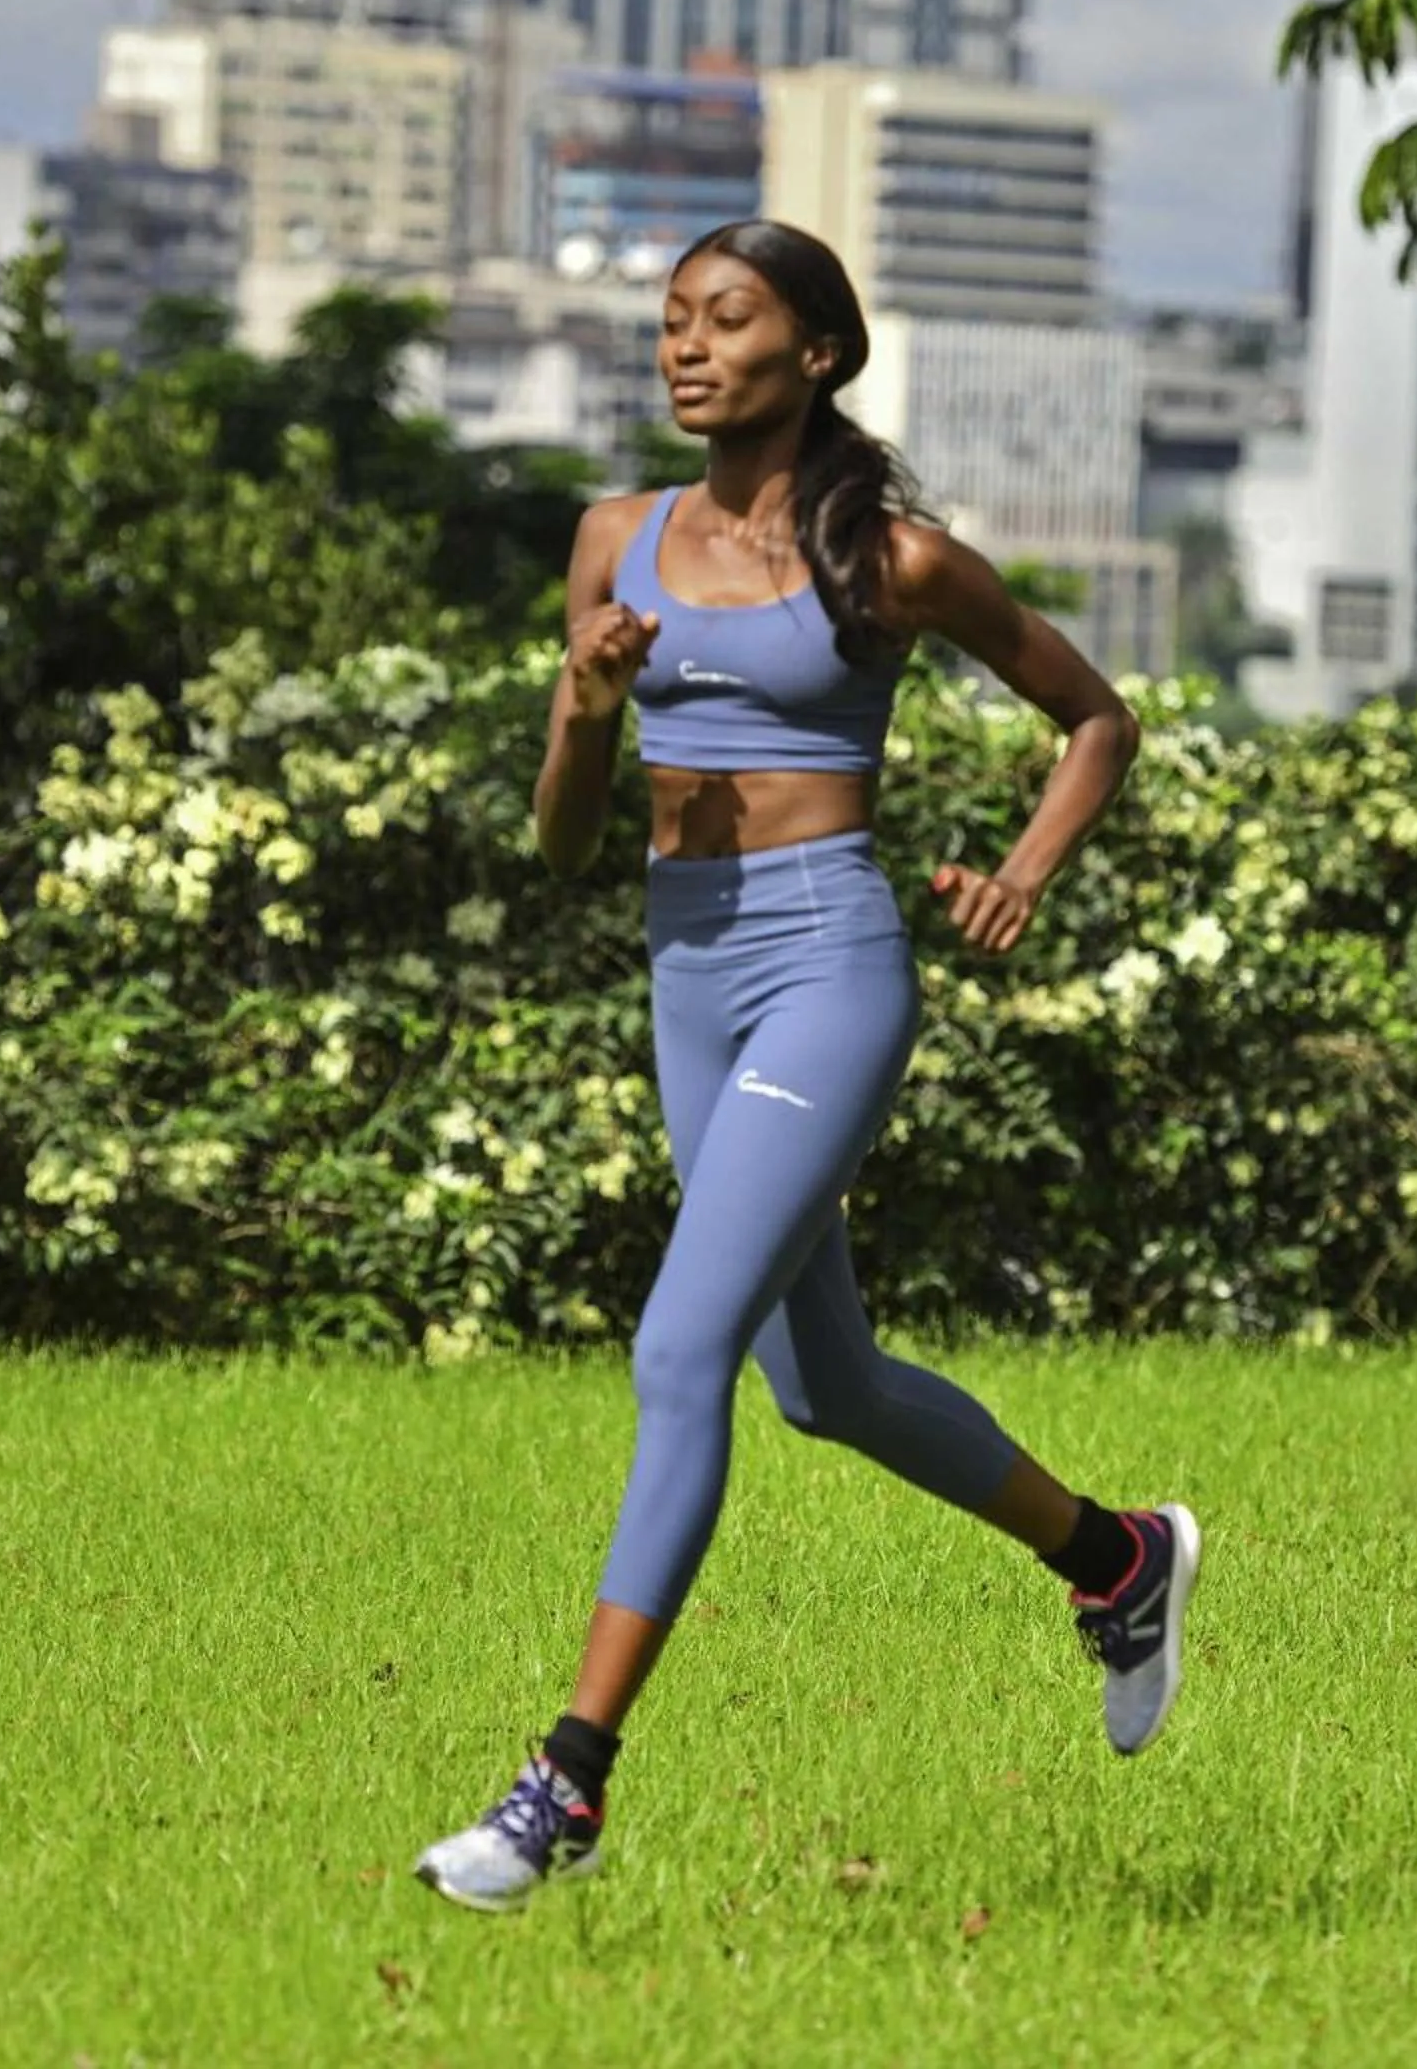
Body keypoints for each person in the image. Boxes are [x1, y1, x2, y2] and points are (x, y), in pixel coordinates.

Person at [413, 220, 1200, 1914]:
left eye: (728, 319)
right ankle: (1115, 1557)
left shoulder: (890, 560)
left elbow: (1096, 716)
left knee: (681, 1344)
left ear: (819, 353)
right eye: (673, 321)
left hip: (830, 961)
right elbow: (562, 848)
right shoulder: (611, 540)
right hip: (685, 964)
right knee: (821, 1386)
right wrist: (584, 704)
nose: (687, 347)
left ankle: (565, 1783)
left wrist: (1023, 869)